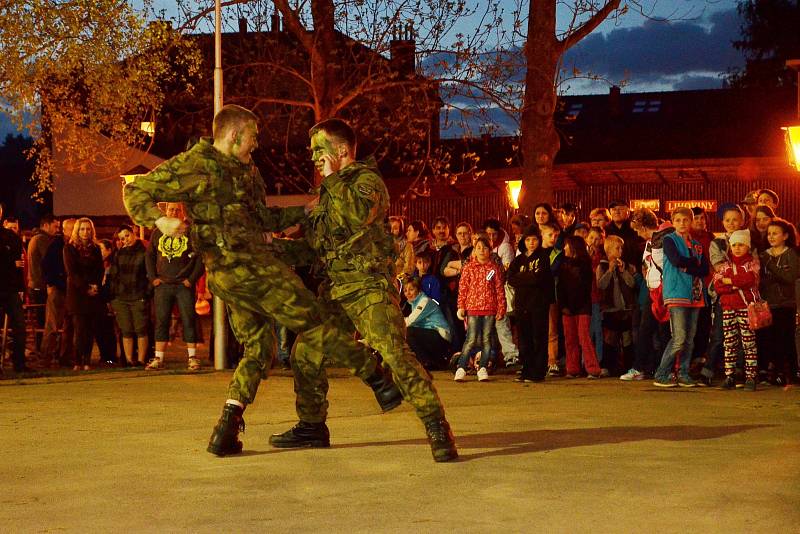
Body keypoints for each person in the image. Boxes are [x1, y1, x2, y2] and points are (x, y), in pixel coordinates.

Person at [123, 105, 401, 458]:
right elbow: (136, 191)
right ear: (234, 134)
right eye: (253, 136)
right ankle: (377, 377)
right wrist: (160, 221)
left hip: (244, 269)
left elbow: (261, 219)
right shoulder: (194, 164)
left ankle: (227, 426)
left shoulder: (248, 171)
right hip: (241, 268)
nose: (257, 143)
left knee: (259, 348)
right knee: (312, 318)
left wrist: (300, 212)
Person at [269, 118, 457, 461]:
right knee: (304, 353)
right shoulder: (328, 192)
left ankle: (436, 424)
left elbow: (357, 215)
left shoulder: (366, 182)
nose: (313, 158)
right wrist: (270, 250)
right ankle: (312, 426)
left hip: (369, 288)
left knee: (395, 353)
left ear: (341, 151)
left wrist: (333, 178)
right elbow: (314, 246)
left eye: (318, 150)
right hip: (336, 291)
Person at [653, 207, 708, 388]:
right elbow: (676, 261)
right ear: (673, 222)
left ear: (691, 222)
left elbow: (705, 270)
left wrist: (689, 266)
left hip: (695, 294)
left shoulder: (698, 244)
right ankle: (662, 373)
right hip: (676, 292)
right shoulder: (670, 240)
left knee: (690, 339)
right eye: (678, 220)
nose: (682, 224)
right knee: (679, 337)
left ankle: (683, 373)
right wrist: (693, 263)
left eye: (686, 220)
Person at [145, 202, 205, 371]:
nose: (174, 212)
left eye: (177, 210)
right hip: (163, 284)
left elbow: (200, 259)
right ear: (166, 211)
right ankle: (159, 358)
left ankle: (192, 357)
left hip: (183, 285)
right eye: (171, 209)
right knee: (161, 321)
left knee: (188, 319)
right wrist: (153, 278)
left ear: (182, 212)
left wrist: (191, 280)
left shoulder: (190, 233)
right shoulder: (157, 232)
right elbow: (149, 256)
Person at [622, 209, 672, 381]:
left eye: (637, 229)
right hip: (653, 292)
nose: (637, 233)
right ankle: (642, 367)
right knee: (646, 330)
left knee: (664, 333)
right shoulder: (652, 242)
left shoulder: (665, 239)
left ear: (643, 226)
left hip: (664, 292)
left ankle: (665, 369)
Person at [713, 230, 760, 391]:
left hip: (746, 308)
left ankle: (751, 376)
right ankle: (729, 375)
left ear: (747, 246)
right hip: (728, 308)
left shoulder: (751, 264)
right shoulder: (725, 265)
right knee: (729, 342)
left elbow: (749, 279)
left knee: (748, 343)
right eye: (734, 245)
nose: (737, 248)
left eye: (741, 244)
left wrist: (729, 282)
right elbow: (717, 286)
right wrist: (735, 284)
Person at [454, 236, 506, 382]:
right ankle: (461, 367)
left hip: (489, 309)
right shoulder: (469, 268)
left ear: (490, 251)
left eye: (485, 248)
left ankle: (482, 367)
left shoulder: (493, 269)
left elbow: (499, 289)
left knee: (487, 339)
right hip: (472, 309)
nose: (482, 251)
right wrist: (461, 306)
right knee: (470, 339)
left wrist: (501, 308)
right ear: (474, 250)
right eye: (478, 248)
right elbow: (463, 289)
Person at [507, 225, 554, 382]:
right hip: (522, 304)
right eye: (528, 240)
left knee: (538, 337)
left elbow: (539, 278)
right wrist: (528, 276)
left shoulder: (543, 257)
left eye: (534, 239)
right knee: (524, 338)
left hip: (538, 304)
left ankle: (538, 371)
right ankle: (526, 369)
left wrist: (523, 277)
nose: (531, 243)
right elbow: (511, 278)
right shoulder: (519, 259)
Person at [758, 218, 799, 386]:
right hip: (768, 303)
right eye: (769, 234)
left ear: (785, 235)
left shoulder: (791, 254)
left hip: (786, 303)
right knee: (771, 339)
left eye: (775, 233)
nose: (771, 237)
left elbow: (790, 277)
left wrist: (771, 264)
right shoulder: (763, 254)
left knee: (786, 338)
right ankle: (773, 372)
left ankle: (789, 372)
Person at [557, 235, 601, 378]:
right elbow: (561, 287)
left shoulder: (584, 265)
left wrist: (573, 305)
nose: (564, 248)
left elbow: (584, 288)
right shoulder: (563, 264)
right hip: (567, 307)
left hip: (582, 306)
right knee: (570, 338)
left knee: (584, 337)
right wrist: (563, 305)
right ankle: (572, 368)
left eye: (566, 245)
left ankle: (593, 368)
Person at [63, 217, 104, 371]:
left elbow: (100, 269)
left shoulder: (95, 248)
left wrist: (95, 286)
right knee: (79, 329)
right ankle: (78, 360)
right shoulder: (70, 248)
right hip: (77, 293)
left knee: (90, 328)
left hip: (93, 292)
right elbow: (72, 272)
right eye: (82, 229)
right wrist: (85, 287)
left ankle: (87, 359)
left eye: (88, 229)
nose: (85, 232)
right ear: (77, 230)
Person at [107, 225, 150, 367]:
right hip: (121, 297)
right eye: (122, 238)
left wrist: (146, 293)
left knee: (140, 329)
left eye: (127, 236)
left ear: (133, 233)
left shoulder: (144, 252)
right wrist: (113, 297)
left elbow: (149, 274)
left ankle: (141, 359)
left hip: (138, 295)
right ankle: (129, 359)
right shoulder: (119, 254)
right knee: (126, 330)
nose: (125, 240)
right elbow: (113, 276)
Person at [596, 235, 635, 377]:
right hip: (610, 308)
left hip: (625, 307)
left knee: (627, 337)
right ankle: (607, 365)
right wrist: (610, 271)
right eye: (617, 248)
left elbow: (631, 283)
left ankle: (628, 366)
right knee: (610, 337)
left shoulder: (625, 266)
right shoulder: (602, 266)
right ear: (608, 250)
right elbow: (601, 284)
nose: (620, 251)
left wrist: (623, 271)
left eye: (621, 248)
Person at [41, 218, 76, 367]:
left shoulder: (74, 246)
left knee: (70, 325)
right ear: (65, 230)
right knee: (53, 325)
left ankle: (65, 357)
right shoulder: (57, 245)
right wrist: (51, 283)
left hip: (71, 290)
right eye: (73, 228)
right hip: (59, 288)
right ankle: (46, 357)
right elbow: (46, 265)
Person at [0, 203, 28, 373]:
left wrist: (21, 288)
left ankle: (19, 363)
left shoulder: (10, 237)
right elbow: (14, 262)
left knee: (19, 324)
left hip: (10, 288)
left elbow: (19, 264)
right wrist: (10, 263)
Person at [403, 277, 451, 370]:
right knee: (409, 332)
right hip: (432, 337)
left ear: (418, 290)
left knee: (409, 332)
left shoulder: (424, 301)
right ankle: (431, 361)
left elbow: (410, 321)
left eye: (411, 289)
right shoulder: (414, 303)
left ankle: (426, 361)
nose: (408, 293)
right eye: (405, 290)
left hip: (441, 339)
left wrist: (392, 322)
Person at [26, 214, 60, 346]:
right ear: (46, 225)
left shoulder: (36, 238)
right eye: (55, 226)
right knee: (45, 320)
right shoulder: (42, 240)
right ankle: (43, 348)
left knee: (42, 320)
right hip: (41, 286)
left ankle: (42, 348)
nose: (57, 230)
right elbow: (51, 262)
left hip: (35, 284)